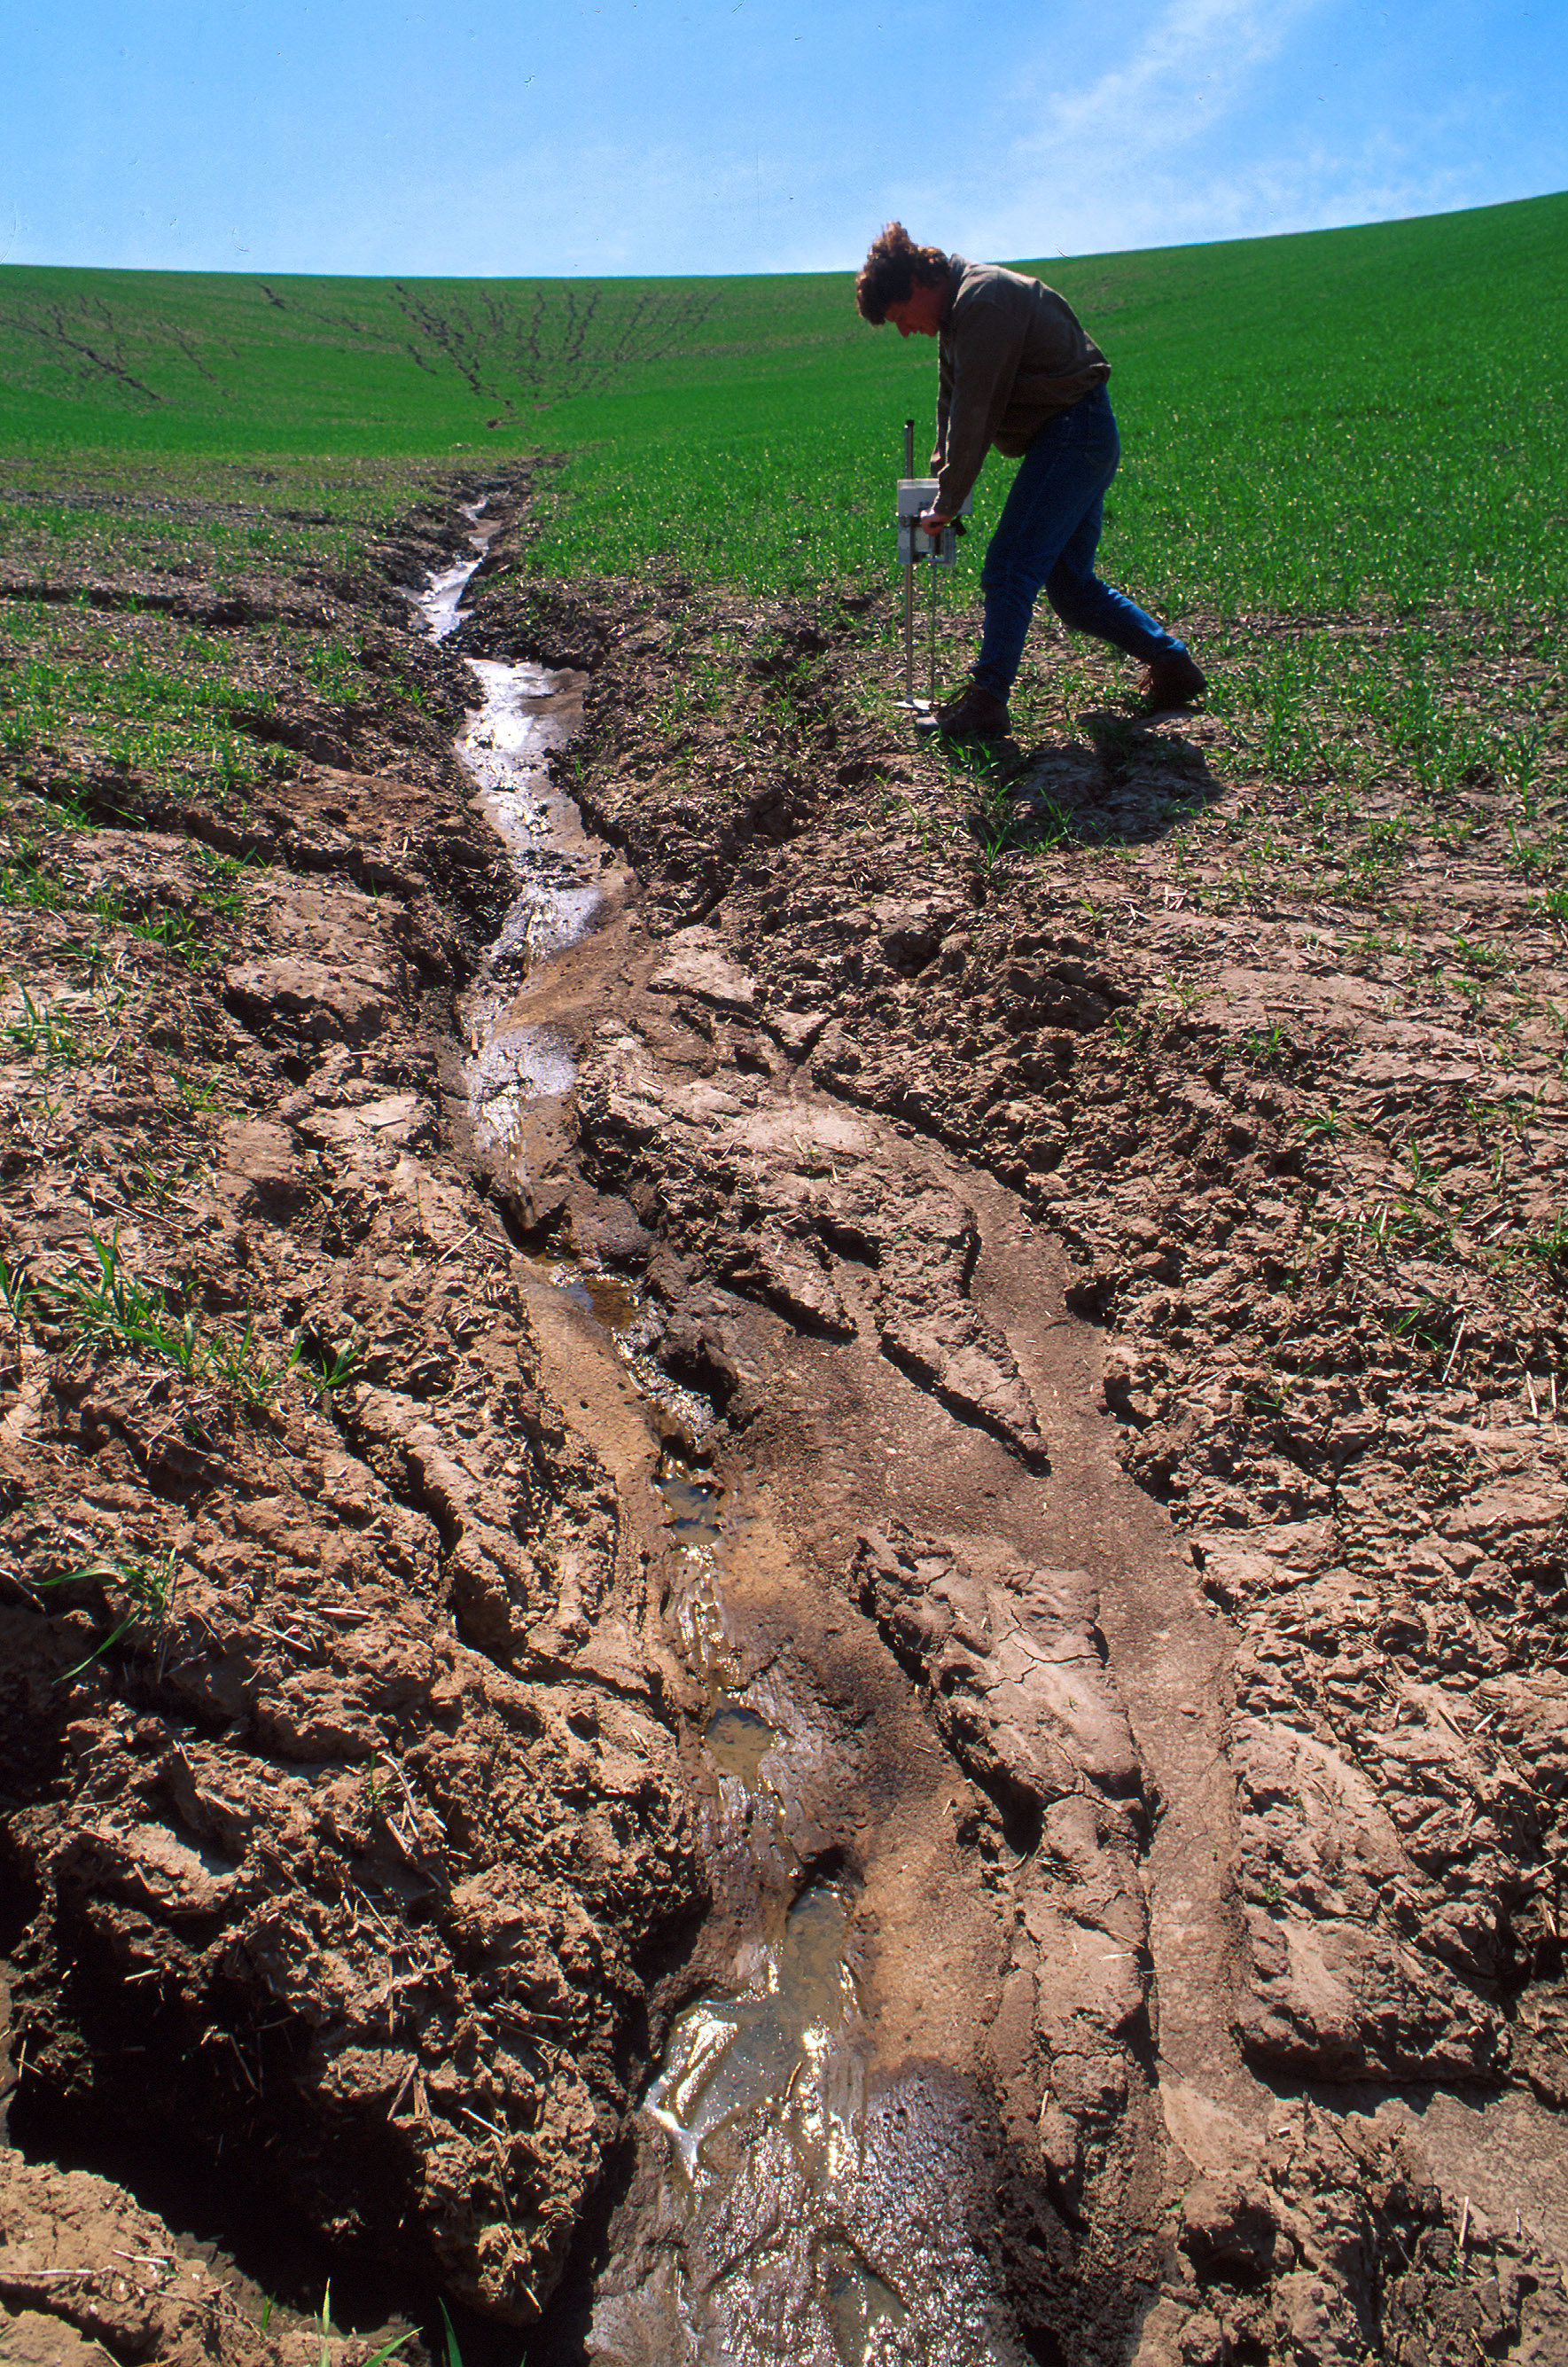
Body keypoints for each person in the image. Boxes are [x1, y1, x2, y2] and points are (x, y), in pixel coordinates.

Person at [856, 223, 1205, 738]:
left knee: (1009, 566)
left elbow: (976, 409)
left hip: (1073, 433)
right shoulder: (957, 318)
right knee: (1070, 587)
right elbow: (950, 412)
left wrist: (949, 501)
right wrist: (935, 489)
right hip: (1072, 437)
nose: (906, 331)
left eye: (900, 317)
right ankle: (1174, 666)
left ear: (916, 284)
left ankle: (988, 700)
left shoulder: (983, 300)